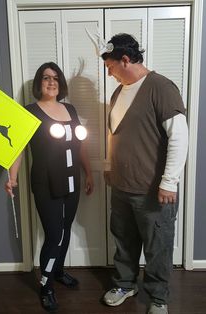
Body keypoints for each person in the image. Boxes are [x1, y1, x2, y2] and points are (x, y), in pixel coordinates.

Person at [100, 34, 188, 314]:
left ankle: (158, 298)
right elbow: (114, 134)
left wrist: (169, 182)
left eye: (111, 67)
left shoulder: (161, 87)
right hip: (122, 187)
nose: (109, 73)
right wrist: (108, 166)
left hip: (153, 191)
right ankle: (125, 284)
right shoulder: (118, 93)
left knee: (157, 247)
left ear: (125, 60)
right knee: (123, 241)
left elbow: (179, 137)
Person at [5, 62, 94, 312]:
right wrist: (12, 178)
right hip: (45, 182)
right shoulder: (29, 111)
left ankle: (58, 271)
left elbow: (80, 145)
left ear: (60, 83)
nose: (51, 82)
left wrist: (88, 172)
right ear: (39, 83)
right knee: (54, 235)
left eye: (55, 78)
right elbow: (18, 149)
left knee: (65, 230)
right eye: (46, 77)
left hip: (71, 180)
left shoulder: (70, 109)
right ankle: (46, 286)